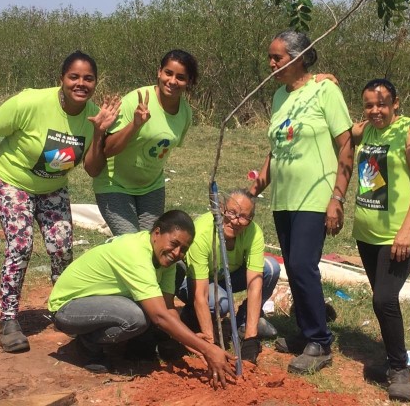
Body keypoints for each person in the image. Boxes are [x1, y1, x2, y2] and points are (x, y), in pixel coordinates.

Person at [0, 51, 120, 353]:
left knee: (62, 248)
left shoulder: (94, 116)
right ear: (61, 79)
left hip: (53, 188)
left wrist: (99, 131)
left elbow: (92, 168)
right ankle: (9, 320)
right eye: (73, 77)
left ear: (95, 83)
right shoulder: (31, 102)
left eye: (88, 78)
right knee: (21, 245)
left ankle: (68, 313)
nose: (80, 83)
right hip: (12, 179)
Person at [248, 30, 354, 374]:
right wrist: (255, 189)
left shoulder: (326, 90)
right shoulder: (280, 95)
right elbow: (275, 149)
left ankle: (320, 342)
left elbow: (345, 144)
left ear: (299, 57)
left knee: (305, 266)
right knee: (293, 266)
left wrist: (337, 197)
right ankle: (305, 332)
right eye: (270, 57)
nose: (272, 64)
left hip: (315, 196)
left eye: (278, 57)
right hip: (285, 199)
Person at [48, 210, 236, 389]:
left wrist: (192, 342)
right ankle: (88, 345)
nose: (177, 252)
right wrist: (207, 349)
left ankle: (107, 338)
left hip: (99, 301)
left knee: (160, 294)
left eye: (183, 249)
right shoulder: (136, 253)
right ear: (157, 233)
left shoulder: (166, 261)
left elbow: (168, 307)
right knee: (136, 318)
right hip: (67, 307)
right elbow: (160, 317)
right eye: (174, 243)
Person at [352, 79, 410, 402]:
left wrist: (407, 230)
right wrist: (322, 79)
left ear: (396, 103)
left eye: (382, 104)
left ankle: (400, 369)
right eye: (369, 105)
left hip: (398, 235)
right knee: (382, 298)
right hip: (367, 233)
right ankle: (390, 360)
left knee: (383, 299)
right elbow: (349, 129)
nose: (376, 110)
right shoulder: (369, 130)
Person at [92, 50, 195, 235]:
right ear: (159, 72)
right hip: (115, 184)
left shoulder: (185, 113)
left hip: (151, 187)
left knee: (151, 245)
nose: (172, 81)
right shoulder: (136, 100)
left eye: (180, 77)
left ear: (188, 81)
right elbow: (107, 149)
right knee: (130, 245)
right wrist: (135, 124)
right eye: (168, 73)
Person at [176, 189, 281, 364]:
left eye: (243, 217)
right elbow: (200, 295)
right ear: (222, 208)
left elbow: (255, 285)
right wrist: (211, 345)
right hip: (194, 281)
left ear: (251, 220)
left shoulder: (254, 233)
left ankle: (243, 325)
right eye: (231, 212)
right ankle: (191, 317)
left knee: (271, 268)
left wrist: (251, 338)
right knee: (221, 303)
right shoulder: (202, 233)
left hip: (226, 276)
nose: (235, 221)